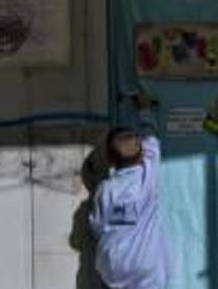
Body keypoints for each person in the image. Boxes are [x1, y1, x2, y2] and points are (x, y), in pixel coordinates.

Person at [89, 95, 169, 289]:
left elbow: (96, 227)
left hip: (114, 263)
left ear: (110, 159)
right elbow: (151, 139)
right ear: (141, 154)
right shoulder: (148, 174)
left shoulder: (105, 189)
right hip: (146, 262)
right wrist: (145, 110)